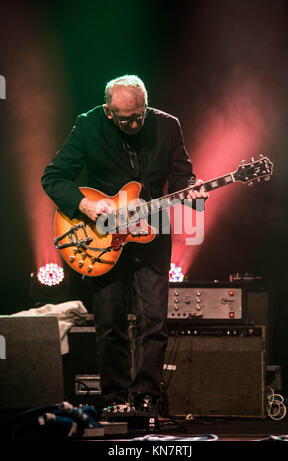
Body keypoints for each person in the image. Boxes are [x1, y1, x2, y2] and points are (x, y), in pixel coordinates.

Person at [41, 75, 208, 412]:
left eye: (139, 115)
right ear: (108, 111)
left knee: (154, 321)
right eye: (125, 118)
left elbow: (182, 177)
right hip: (101, 235)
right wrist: (86, 205)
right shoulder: (88, 126)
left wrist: (194, 190)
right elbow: (53, 177)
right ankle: (115, 400)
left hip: (154, 228)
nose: (134, 123)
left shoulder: (167, 126)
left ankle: (146, 397)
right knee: (109, 322)